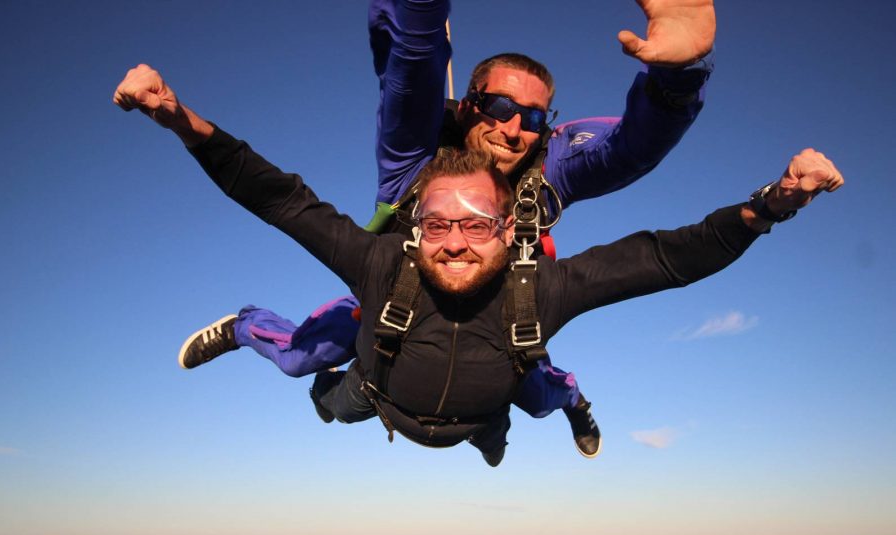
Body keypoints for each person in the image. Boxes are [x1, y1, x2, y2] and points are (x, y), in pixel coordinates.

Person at [113, 66, 843, 467]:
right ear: (412, 226)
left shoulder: (541, 276)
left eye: (478, 224)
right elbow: (276, 197)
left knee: (530, 402)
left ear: (510, 229)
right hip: (377, 385)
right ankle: (247, 329)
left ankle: (573, 402)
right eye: (438, 224)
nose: (458, 239)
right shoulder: (380, 261)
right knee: (312, 374)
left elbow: (666, 257)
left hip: (486, 398)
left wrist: (773, 201)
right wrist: (180, 119)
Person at [177, 0, 718, 460]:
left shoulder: (548, 173)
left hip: (498, 320)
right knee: (302, 358)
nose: (512, 129)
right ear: (468, 106)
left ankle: (576, 405)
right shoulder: (413, 156)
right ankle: (245, 326)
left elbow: (629, 149)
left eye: (532, 118)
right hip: (396, 305)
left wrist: (680, 74)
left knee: (540, 395)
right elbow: (412, 63)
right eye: (499, 107)